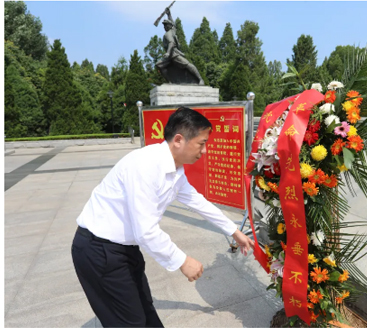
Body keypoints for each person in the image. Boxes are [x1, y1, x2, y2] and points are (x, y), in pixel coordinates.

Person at [71, 107, 254, 327]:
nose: (204, 151)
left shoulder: (174, 170)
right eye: (202, 143)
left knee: (146, 312)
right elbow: (146, 230)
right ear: (179, 140)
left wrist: (234, 231)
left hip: (125, 250)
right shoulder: (145, 166)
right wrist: (183, 261)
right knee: (130, 322)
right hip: (99, 251)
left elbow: (198, 202)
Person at [155, 8, 204, 85]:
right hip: (169, 56)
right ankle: (170, 82)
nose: (164, 27)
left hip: (173, 54)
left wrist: (168, 53)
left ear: (169, 26)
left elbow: (171, 43)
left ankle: (200, 79)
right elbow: (173, 24)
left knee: (187, 65)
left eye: (166, 25)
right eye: (164, 25)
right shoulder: (172, 31)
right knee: (159, 65)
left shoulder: (168, 34)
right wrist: (169, 15)